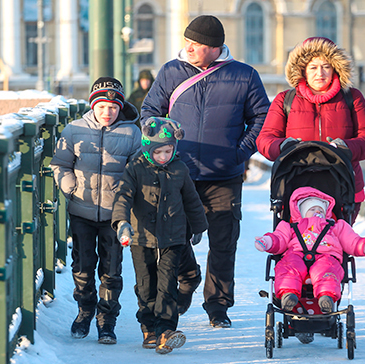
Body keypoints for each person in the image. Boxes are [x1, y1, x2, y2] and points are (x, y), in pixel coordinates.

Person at [141, 14, 270, 328]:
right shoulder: (171, 71)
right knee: (174, 239)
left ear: (214, 47)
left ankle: (218, 306)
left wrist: (238, 153)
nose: (188, 48)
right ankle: (188, 280)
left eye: (195, 44)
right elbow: (149, 113)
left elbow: (262, 118)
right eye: (187, 42)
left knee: (223, 244)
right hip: (178, 174)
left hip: (224, 177)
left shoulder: (245, 75)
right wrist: (160, 142)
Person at [50, 77, 141, 344]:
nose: (107, 112)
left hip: (116, 215)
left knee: (111, 270)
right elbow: (60, 164)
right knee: (83, 266)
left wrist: (128, 198)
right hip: (82, 211)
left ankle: (107, 320)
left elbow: (137, 170)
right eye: (102, 106)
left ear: (120, 108)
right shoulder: (74, 129)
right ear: (93, 106)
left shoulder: (131, 133)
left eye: (113, 107)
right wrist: (70, 188)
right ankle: (85, 310)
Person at [112, 117, 208, 354]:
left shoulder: (179, 169)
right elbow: (123, 196)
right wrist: (122, 222)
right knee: (146, 284)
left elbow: (192, 200)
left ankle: (166, 330)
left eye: (168, 151)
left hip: (173, 237)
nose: (164, 156)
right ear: (147, 148)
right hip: (141, 236)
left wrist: (198, 227)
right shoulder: (135, 168)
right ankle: (149, 327)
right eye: (159, 152)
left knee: (167, 284)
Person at [256, 37, 365, 221]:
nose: (320, 73)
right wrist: (283, 146)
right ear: (303, 70)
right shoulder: (285, 100)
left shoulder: (352, 98)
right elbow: (265, 140)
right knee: (298, 245)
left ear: (335, 68)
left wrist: (346, 147)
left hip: (343, 188)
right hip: (296, 188)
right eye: (313, 67)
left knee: (336, 245)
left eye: (326, 66)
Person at [254, 186, 365, 314]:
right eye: (312, 209)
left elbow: (352, 240)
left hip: (325, 257)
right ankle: (288, 294)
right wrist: (266, 242)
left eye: (321, 209)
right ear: (301, 212)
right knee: (289, 266)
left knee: (327, 270)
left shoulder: (335, 226)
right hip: (296, 255)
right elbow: (279, 238)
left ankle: (326, 297)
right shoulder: (291, 226)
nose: (318, 212)